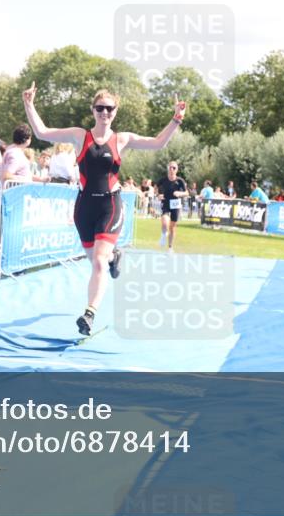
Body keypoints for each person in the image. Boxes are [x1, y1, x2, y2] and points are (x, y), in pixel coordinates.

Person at [23, 81, 186, 335]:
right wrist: (29, 104)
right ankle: (114, 256)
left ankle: (89, 314)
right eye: (100, 108)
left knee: (98, 262)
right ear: (93, 110)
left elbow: (157, 143)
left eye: (109, 109)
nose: (104, 113)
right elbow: (42, 132)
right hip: (84, 207)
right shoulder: (80, 136)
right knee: (96, 261)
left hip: (110, 205)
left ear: (115, 111)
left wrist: (176, 119)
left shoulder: (121, 139)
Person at [156, 161, 188, 251]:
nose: (172, 169)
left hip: (175, 205)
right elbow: (155, 187)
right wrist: (158, 195)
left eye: (174, 168)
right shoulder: (163, 180)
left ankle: (170, 247)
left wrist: (179, 193)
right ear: (168, 168)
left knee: (173, 227)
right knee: (165, 222)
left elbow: (186, 193)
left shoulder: (180, 181)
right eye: (170, 167)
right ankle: (163, 235)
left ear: (176, 170)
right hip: (166, 203)